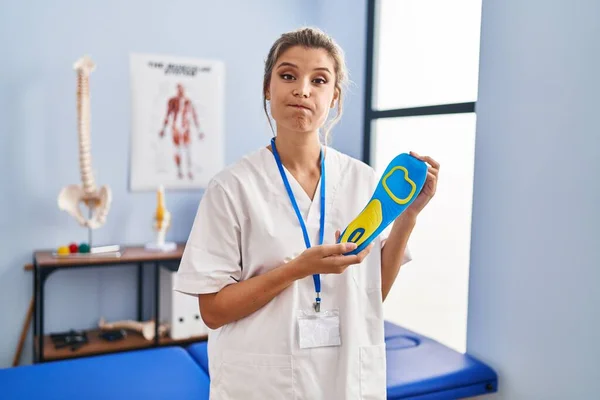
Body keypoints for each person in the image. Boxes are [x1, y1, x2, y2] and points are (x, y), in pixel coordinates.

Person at [175, 27, 439, 399]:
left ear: (335, 97)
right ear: (268, 88)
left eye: (319, 80)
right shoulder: (231, 188)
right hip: (264, 385)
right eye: (288, 76)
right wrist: (297, 269)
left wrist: (408, 218)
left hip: (345, 381)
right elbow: (213, 311)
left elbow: (371, 295)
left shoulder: (362, 180)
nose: (302, 90)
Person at [159, 83, 204, 180]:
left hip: (185, 129)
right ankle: (179, 171)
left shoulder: (188, 102)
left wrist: (199, 131)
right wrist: (163, 129)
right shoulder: (172, 101)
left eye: (182, 90)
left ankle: (189, 171)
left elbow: (194, 116)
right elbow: (167, 115)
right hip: (176, 129)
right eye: (179, 90)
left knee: (188, 151)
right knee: (177, 150)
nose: (180, 92)